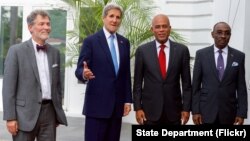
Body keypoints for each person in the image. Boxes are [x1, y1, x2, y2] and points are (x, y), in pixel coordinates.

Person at [2, 10, 68, 141]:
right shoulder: (16, 51)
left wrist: (57, 113)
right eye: (41, 24)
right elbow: (8, 88)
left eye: (48, 24)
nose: (46, 27)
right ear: (30, 27)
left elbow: (57, 86)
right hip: (24, 115)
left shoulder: (55, 53)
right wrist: (10, 117)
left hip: (49, 113)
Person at [75, 3, 132, 141]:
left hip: (116, 108)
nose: (114, 20)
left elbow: (125, 74)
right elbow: (79, 69)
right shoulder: (91, 41)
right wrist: (84, 73)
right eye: (111, 16)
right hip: (96, 107)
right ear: (104, 18)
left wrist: (127, 101)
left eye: (118, 17)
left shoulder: (124, 42)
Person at [133, 14, 192, 125]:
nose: (161, 30)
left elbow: (186, 84)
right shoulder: (142, 51)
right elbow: (137, 83)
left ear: (170, 29)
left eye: (164, 26)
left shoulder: (182, 50)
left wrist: (186, 108)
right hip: (149, 112)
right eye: (158, 27)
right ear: (152, 29)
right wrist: (138, 108)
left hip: (174, 112)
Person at [192, 22, 248, 125]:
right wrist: (195, 111)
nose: (223, 36)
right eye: (219, 32)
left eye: (227, 33)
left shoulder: (239, 56)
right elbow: (195, 86)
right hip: (206, 111)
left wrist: (241, 113)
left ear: (230, 35)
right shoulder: (201, 54)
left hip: (229, 112)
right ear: (212, 34)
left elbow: (241, 88)